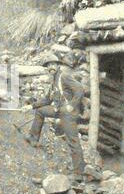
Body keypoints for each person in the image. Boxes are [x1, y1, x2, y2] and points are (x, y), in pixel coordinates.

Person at [24, 52, 86, 180]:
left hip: (68, 113)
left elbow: (80, 89)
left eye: (53, 64)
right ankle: (33, 138)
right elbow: (47, 100)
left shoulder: (64, 77)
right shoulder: (54, 81)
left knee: (73, 141)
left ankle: (79, 173)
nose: (50, 67)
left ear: (58, 65)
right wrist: (31, 106)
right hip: (58, 110)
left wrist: (72, 106)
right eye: (48, 65)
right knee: (40, 111)